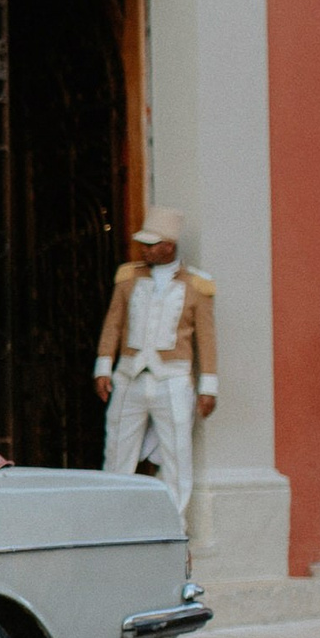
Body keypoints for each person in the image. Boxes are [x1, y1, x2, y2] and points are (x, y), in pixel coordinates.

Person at [93, 205, 217, 522]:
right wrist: (103, 367)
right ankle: (112, 521)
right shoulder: (128, 278)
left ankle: (174, 523)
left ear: (169, 246)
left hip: (173, 379)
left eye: (151, 244)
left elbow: (206, 339)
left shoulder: (197, 286)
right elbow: (113, 325)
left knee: (177, 453)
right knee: (118, 448)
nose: (145, 250)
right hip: (130, 375)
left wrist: (208, 387)